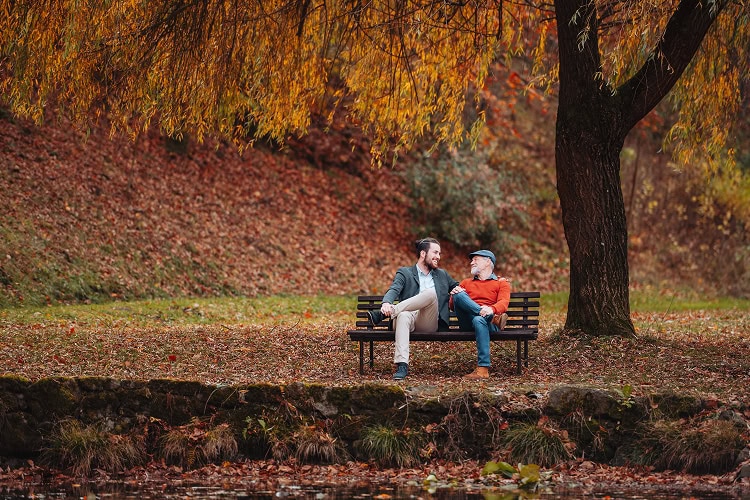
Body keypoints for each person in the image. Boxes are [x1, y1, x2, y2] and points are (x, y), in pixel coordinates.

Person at [367, 238, 459, 380]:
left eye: (439, 253)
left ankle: (385, 314)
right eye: (435, 252)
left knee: (430, 293)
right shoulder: (405, 273)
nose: (438, 257)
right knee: (403, 315)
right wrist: (386, 303)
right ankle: (402, 365)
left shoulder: (442, 275)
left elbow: (460, 287)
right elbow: (394, 289)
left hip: (427, 320)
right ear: (423, 253)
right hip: (407, 318)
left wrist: (490, 280)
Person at [449, 249, 511, 380]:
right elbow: (452, 306)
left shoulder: (501, 283)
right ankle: (493, 319)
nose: (471, 263)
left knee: (479, 320)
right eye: (472, 260)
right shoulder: (466, 283)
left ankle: (483, 369)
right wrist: (454, 294)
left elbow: (504, 303)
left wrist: (492, 309)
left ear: (488, 261)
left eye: (475, 259)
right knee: (459, 294)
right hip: (468, 322)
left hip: (487, 325)